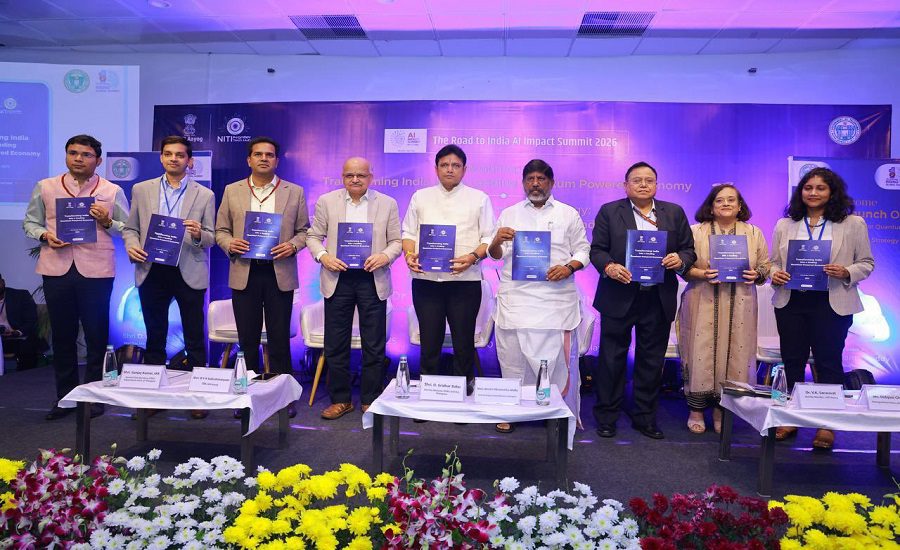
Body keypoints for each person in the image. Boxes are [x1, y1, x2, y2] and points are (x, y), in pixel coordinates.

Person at [23, 134, 129, 420]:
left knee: (96, 335)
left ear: (98, 160)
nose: (78, 159)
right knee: (62, 336)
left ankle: (94, 397)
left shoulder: (111, 190)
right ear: (66, 156)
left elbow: (128, 228)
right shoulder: (46, 186)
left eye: (86, 154)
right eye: (73, 153)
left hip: (96, 270)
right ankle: (66, 397)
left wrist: (107, 221)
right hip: (56, 269)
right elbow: (30, 222)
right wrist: (44, 235)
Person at [589, 161, 695, 440]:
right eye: (637, 180)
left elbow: (688, 250)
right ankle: (607, 416)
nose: (644, 184)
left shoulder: (674, 212)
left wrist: (680, 259)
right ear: (626, 186)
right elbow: (597, 250)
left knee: (651, 361)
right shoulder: (610, 211)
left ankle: (645, 417)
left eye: (649, 180)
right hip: (618, 294)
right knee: (612, 359)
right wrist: (609, 266)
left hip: (657, 297)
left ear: (657, 185)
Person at [770, 167, 874, 449]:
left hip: (832, 302)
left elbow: (866, 263)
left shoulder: (853, 223)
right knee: (792, 360)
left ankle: (826, 424)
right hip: (792, 301)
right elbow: (772, 262)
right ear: (800, 192)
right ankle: (790, 417)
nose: (813, 193)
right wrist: (775, 274)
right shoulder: (785, 224)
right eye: (808, 188)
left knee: (829, 362)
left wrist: (846, 271)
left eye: (820, 188)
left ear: (832, 192)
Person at [488, 159, 590, 433]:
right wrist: (496, 240)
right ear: (523, 183)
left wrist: (568, 267)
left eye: (541, 179)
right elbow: (496, 256)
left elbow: (583, 251)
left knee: (554, 363)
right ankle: (511, 410)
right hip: (517, 300)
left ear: (551, 182)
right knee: (512, 359)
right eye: (530, 179)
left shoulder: (568, 214)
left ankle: (554, 411)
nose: (535, 184)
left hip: (555, 301)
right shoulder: (509, 213)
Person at [123, 136, 216, 420]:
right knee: (155, 335)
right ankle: (154, 397)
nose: (173, 158)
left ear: (190, 161)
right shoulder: (141, 189)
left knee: (194, 336)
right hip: (152, 268)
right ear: (161, 158)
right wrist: (131, 245)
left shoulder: (205, 195)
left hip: (188, 268)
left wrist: (199, 234)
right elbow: (130, 228)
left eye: (179, 155)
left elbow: (212, 237)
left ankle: (198, 398)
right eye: (168, 154)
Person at [215, 137, 308, 417]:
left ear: (277, 160)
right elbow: (221, 230)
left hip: (279, 272)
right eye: (258, 154)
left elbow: (305, 231)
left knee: (279, 338)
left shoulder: (294, 191)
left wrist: (293, 245)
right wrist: (229, 243)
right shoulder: (232, 190)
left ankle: (283, 397)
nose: (264, 158)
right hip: (245, 271)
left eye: (269, 154)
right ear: (249, 159)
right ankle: (246, 396)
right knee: (247, 340)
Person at [307, 157, 402, 419]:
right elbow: (313, 236)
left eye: (361, 175)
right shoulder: (327, 201)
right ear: (342, 177)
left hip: (373, 278)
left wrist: (385, 256)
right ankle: (341, 399)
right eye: (350, 175)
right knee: (336, 342)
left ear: (371, 177)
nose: (355, 180)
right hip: (338, 277)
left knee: (374, 343)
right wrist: (324, 256)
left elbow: (397, 241)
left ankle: (370, 398)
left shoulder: (387, 203)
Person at [677, 184, 770, 434]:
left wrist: (757, 274)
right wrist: (702, 273)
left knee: (735, 354)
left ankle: (722, 411)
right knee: (699, 352)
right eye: (719, 200)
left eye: (731, 200)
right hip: (702, 298)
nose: (726, 204)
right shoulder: (695, 231)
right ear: (711, 206)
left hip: (741, 303)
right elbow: (682, 267)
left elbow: (765, 265)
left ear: (740, 206)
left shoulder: (753, 232)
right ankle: (696, 410)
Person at [401, 144, 494, 382]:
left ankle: (463, 393)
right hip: (426, 281)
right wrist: (409, 255)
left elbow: (488, 238)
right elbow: (408, 233)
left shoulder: (479, 198)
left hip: (465, 281)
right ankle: (429, 393)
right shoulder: (420, 196)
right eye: (444, 165)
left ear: (464, 169)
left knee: (463, 344)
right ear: (436, 169)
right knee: (429, 343)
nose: (449, 169)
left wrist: (473, 257)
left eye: (455, 165)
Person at [0, 272, 40, 371]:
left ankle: (25, 376)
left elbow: (32, 320)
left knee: (28, 343)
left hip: (16, 337)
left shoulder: (21, 296)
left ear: (2, 282)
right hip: (0, 338)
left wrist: (17, 332)